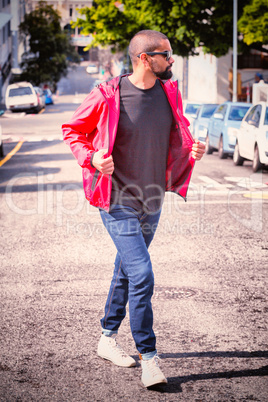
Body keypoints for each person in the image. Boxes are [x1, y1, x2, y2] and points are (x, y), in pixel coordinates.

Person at [62, 30, 205, 388]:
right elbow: (72, 130)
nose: (171, 61)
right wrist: (93, 158)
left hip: (152, 200)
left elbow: (178, 131)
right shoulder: (108, 93)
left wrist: (192, 150)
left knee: (126, 270)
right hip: (117, 200)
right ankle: (150, 358)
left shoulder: (169, 92)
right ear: (145, 58)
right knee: (142, 274)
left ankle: (107, 337)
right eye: (166, 55)